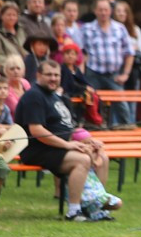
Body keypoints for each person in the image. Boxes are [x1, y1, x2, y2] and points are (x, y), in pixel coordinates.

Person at [15, 59, 112, 222]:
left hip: (58, 147)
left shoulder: (57, 97)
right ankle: (74, 210)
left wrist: (89, 141)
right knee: (82, 160)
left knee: (102, 157)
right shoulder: (34, 96)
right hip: (38, 149)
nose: (53, 78)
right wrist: (68, 145)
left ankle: (95, 207)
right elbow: (37, 131)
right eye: (48, 75)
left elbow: (68, 128)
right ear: (38, 75)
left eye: (56, 75)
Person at [80, 0, 135, 129]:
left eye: (106, 10)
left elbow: (130, 53)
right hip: (93, 73)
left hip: (114, 74)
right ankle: (94, 130)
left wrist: (126, 74)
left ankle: (126, 133)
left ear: (110, 11)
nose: (103, 13)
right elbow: (80, 54)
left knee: (122, 105)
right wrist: (81, 77)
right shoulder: (86, 29)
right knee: (91, 105)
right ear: (95, 11)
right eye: (100, 10)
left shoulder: (119, 28)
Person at [114, 0, 141, 124]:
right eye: (118, 11)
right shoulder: (112, 28)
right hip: (118, 68)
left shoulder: (135, 29)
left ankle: (131, 124)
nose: (121, 14)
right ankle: (118, 125)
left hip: (133, 69)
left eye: (124, 11)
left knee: (132, 98)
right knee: (118, 99)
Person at [0, 2, 26, 70]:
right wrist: (16, 63)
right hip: (7, 70)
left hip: (26, 68)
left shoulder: (22, 31)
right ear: (2, 16)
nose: (11, 18)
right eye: (8, 15)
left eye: (14, 15)